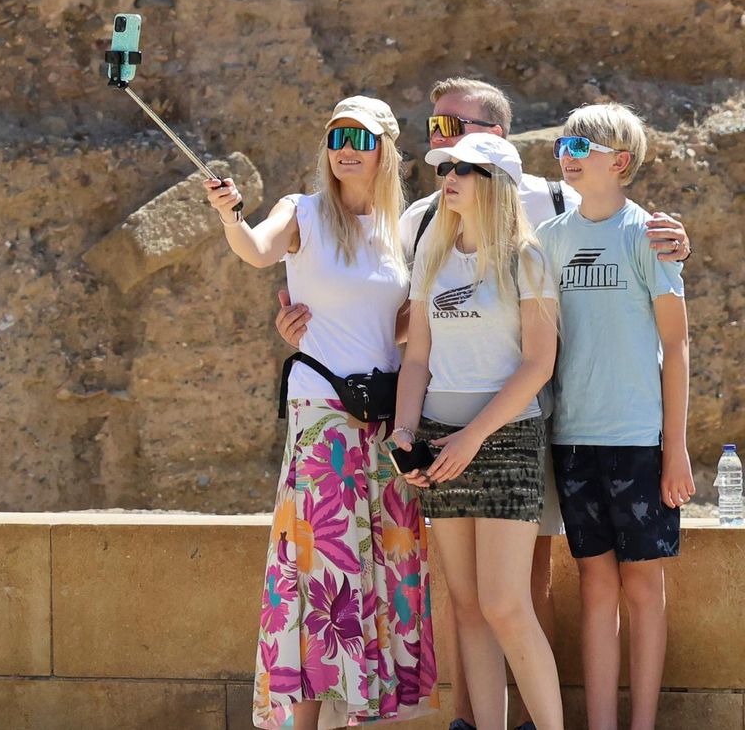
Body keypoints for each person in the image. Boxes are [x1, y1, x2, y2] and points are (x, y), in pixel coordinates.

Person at [273, 77, 692, 730]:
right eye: (438, 138)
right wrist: (313, 328)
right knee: (477, 604)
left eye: (456, 139)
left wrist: (671, 240)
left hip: (551, 430)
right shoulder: (426, 231)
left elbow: (616, 258)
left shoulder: (547, 219)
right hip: (466, 433)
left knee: (524, 594)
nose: (442, 151)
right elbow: (398, 328)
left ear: (493, 144)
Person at [205, 98, 435, 729]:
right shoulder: (301, 211)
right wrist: (230, 215)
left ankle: (367, 716)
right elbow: (256, 250)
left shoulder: (407, 229)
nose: (345, 148)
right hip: (324, 414)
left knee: (384, 569)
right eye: (335, 136)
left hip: (389, 419)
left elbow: (406, 323)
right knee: (320, 569)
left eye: (360, 136)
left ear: (386, 147)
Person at [393, 134, 563, 730]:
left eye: (467, 168)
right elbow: (417, 359)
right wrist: (405, 431)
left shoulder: (528, 256)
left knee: (505, 605)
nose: (451, 175)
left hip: (507, 439)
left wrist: (473, 438)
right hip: (438, 441)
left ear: (498, 183)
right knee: (466, 607)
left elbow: (538, 363)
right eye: (447, 167)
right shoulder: (432, 254)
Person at [535, 104, 692, 730]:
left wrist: (674, 448)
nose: (567, 154)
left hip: (639, 442)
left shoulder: (647, 235)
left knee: (643, 590)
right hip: (572, 441)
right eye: (562, 144)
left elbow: (676, 346)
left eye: (581, 144)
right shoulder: (548, 240)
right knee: (596, 590)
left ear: (620, 161)